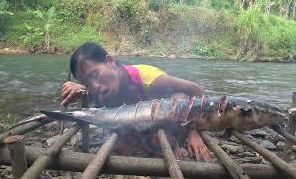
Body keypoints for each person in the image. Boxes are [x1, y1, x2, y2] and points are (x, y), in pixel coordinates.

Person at [61, 42, 211, 161]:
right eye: (88, 83)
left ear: (110, 61)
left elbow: (195, 89)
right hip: (138, 122)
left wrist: (193, 132)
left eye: (95, 75)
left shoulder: (149, 78)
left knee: (180, 98)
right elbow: (94, 89)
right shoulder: (104, 84)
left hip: (164, 120)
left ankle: (175, 142)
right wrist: (82, 88)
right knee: (124, 143)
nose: (96, 87)